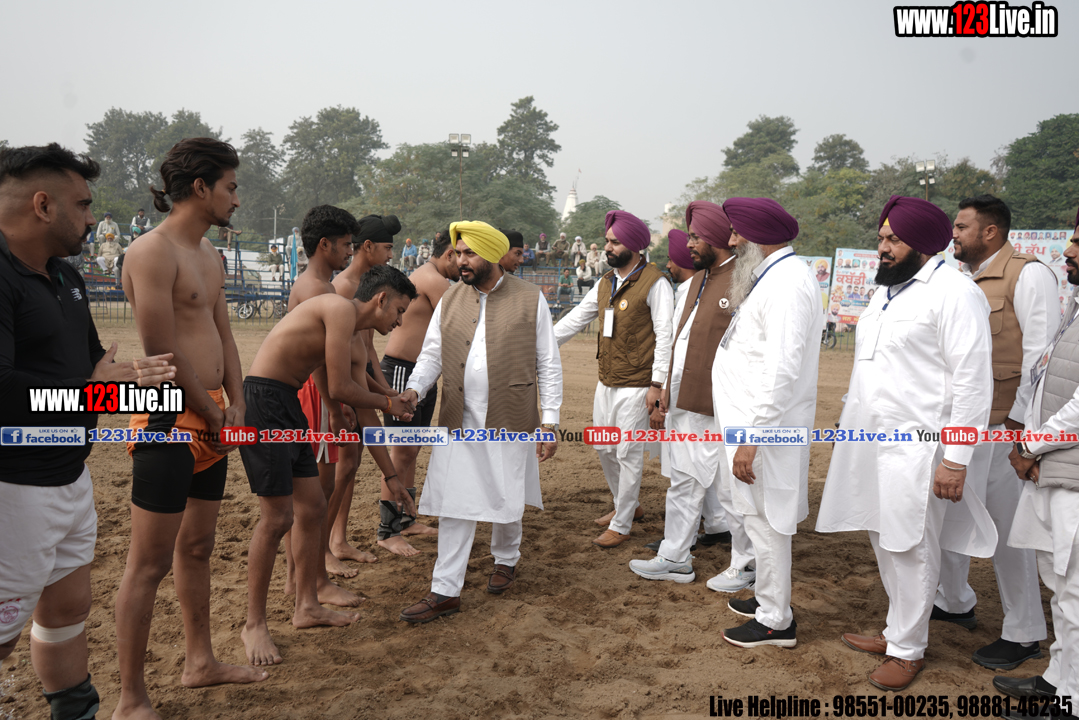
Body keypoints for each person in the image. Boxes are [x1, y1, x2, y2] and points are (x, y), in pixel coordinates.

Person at [0, 143, 175, 720]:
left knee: (68, 609)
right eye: (83, 204)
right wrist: (90, 388)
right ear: (43, 205)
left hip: (70, 475)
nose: (94, 218)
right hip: (14, 486)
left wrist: (142, 390)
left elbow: (94, 370)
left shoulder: (66, 275)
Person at [817, 195, 996, 691]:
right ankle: (898, 629)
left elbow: (972, 383)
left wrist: (956, 459)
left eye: (893, 239)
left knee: (911, 544)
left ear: (921, 242)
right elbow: (870, 368)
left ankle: (908, 649)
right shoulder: (886, 292)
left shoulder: (954, 293)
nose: (883, 247)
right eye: (881, 237)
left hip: (919, 447)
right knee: (882, 536)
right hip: (869, 439)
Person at [116, 137, 269, 719]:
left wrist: (238, 401)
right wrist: (211, 410)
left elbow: (223, 334)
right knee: (148, 563)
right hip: (167, 416)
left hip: (213, 413)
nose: (237, 199)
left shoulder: (209, 254)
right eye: (231, 187)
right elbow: (161, 351)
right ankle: (131, 700)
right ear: (201, 187)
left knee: (199, 547)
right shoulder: (150, 253)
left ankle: (199, 662)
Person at [240, 265, 418, 663]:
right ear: (381, 299)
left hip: (286, 402)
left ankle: (307, 605)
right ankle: (253, 624)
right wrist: (389, 401)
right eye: (399, 311)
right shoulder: (338, 309)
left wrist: (392, 476)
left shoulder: (356, 335)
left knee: (314, 507)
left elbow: (364, 411)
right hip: (265, 400)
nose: (400, 321)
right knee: (276, 519)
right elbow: (339, 389)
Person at [398, 221, 561, 622]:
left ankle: (506, 558)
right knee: (455, 501)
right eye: (457, 253)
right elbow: (432, 354)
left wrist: (551, 420)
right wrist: (415, 389)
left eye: (469, 253)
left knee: (509, 492)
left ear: (491, 254)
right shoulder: (451, 298)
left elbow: (548, 362)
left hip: (512, 415)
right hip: (460, 416)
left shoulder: (529, 299)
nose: (460, 260)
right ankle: (445, 590)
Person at [935, 194, 1055, 669]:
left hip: (1005, 426)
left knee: (1008, 531)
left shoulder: (1028, 275)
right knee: (949, 513)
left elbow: (1041, 358)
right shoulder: (960, 279)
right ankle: (954, 600)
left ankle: (1024, 631)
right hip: (964, 425)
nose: (953, 234)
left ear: (990, 231)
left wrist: (1021, 426)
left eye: (961, 227)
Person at [710, 197, 820, 650]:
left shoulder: (788, 283)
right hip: (752, 426)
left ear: (759, 236)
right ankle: (767, 599)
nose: (732, 240)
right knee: (757, 518)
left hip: (764, 431)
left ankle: (776, 620)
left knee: (767, 520)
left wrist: (752, 438)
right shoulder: (773, 276)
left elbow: (780, 370)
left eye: (738, 233)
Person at [630, 201, 739, 585]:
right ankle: (675, 557)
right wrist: (663, 387)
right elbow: (677, 340)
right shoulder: (694, 282)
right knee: (683, 481)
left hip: (717, 406)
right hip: (682, 402)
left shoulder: (743, 282)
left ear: (715, 238)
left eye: (695, 237)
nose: (688, 245)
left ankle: (746, 563)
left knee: (727, 489)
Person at [554, 210, 674, 547]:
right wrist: (541, 345)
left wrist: (657, 385)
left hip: (638, 386)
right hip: (606, 381)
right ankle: (628, 504)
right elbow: (576, 319)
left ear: (634, 246)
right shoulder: (606, 281)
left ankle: (621, 524)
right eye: (607, 241)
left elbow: (665, 336)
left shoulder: (656, 283)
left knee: (627, 453)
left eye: (614, 242)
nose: (607, 247)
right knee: (605, 448)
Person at [1002, 211, 1079, 707]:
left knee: (1075, 592)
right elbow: (1044, 380)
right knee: (1061, 588)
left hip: (1067, 472)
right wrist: (1029, 444)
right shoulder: (1074, 307)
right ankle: (1059, 679)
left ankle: (1072, 700)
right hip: (1052, 468)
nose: (1068, 251)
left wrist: (1032, 445)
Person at [285, 206, 370, 598]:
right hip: (314, 394)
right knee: (315, 498)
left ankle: (299, 579)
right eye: (346, 245)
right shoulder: (319, 290)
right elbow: (320, 361)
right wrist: (334, 408)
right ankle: (313, 580)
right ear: (325, 245)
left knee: (313, 496)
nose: (350, 252)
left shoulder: (314, 284)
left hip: (310, 392)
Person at [379, 232, 460, 556]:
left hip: (421, 374)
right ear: (449, 254)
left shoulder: (434, 277)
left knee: (410, 451)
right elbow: (461, 323)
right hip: (403, 371)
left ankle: (406, 519)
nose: (464, 265)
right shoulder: (432, 279)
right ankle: (387, 530)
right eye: (461, 257)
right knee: (401, 452)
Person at [330, 213, 404, 570]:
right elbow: (340, 359)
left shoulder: (370, 285)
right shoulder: (344, 287)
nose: (390, 255)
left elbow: (367, 349)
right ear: (368, 246)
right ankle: (327, 545)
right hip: (339, 387)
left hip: (356, 380)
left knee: (351, 464)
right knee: (342, 466)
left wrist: (388, 391)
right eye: (387, 248)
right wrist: (377, 398)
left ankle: (337, 539)